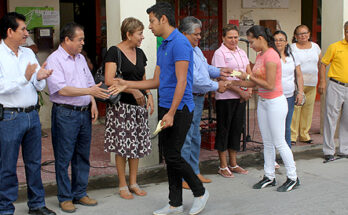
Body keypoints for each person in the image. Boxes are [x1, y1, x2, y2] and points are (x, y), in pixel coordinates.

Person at [109, 3, 209, 215]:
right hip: (166, 107)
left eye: (152, 21)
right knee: (168, 155)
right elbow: (156, 81)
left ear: (163, 19)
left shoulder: (180, 43)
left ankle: (200, 192)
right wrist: (127, 84)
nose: (150, 26)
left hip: (179, 108)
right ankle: (175, 203)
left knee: (173, 155)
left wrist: (171, 112)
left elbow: (182, 82)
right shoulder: (163, 44)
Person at [226, 25, 299, 192]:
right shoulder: (260, 55)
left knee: (279, 142)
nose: (250, 45)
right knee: (267, 142)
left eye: (251, 42)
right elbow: (254, 82)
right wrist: (235, 82)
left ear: (260, 38)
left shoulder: (272, 56)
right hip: (264, 102)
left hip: (275, 103)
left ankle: (293, 177)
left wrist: (248, 76)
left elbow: (270, 84)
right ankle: (269, 176)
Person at [46, 22, 109, 213]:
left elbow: (90, 84)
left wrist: (92, 102)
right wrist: (89, 91)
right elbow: (62, 89)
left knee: (82, 156)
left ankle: (80, 193)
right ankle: (65, 197)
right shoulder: (54, 60)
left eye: (83, 39)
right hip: (65, 113)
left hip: (83, 114)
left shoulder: (81, 58)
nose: (83, 43)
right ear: (67, 39)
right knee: (64, 157)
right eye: (79, 39)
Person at [0, 12, 55, 215]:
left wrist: (40, 77)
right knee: (7, 165)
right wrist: (25, 78)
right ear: (9, 31)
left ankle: (37, 205)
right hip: (9, 117)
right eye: (22, 29)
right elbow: (2, 87)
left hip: (32, 115)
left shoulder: (28, 54)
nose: (26, 33)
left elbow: (37, 85)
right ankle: (5, 208)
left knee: (34, 163)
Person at [103, 17, 153, 199]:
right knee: (122, 147)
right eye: (140, 33)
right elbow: (109, 80)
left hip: (138, 108)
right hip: (121, 107)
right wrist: (133, 91)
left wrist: (148, 95)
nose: (142, 37)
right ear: (129, 34)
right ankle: (122, 184)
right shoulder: (114, 52)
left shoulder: (140, 53)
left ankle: (133, 182)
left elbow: (144, 78)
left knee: (136, 145)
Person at [179, 16, 230, 188]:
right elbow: (195, 79)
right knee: (186, 138)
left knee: (195, 136)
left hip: (198, 99)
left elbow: (205, 68)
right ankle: (184, 177)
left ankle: (194, 172)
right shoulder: (182, 50)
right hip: (188, 97)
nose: (199, 37)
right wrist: (217, 85)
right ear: (184, 33)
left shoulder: (196, 49)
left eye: (200, 34)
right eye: (196, 34)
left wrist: (219, 71)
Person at [212, 24, 251, 178]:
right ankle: (222, 165)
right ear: (223, 38)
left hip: (241, 97)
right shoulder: (220, 53)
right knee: (224, 130)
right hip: (226, 97)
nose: (234, 40)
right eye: (230, 37)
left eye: (236, 37)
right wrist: (241, 91)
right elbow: (222, 76)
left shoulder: (241, 52)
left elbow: (248, 71)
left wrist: (249, 89)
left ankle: (233, 163)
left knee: (236, 129)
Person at [320, 21, 348, 161]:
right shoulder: (335, 47)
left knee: (347, 120)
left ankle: (344, 149)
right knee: (331, 117)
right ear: (344, 31)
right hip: (336, 86)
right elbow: (323, 64)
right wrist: (323, 82)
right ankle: (329, 150)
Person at [290, 25, 322, 144]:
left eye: (305, 33)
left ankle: (304, 134)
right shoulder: (292, 48)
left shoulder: (316, 47)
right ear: (295, 36)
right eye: (300, 34)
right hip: (297, 83)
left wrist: (322, 81)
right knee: (295, 109)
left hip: (312, 83)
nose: (303, 36)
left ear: (309, 34)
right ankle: (293, 136)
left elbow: (320, 64)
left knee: (308, 109)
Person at [274, 30, 304, 148]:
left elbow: (299, 75)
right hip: (275, 97)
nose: (278, 42)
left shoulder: (292, 55)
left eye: (281, 40)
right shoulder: (270, 55)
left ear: (286, 42)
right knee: (275, 126)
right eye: (276, 40)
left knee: (287, 126)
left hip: (289, 96)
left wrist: (300, 92)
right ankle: (273, 154)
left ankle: (287, 154)